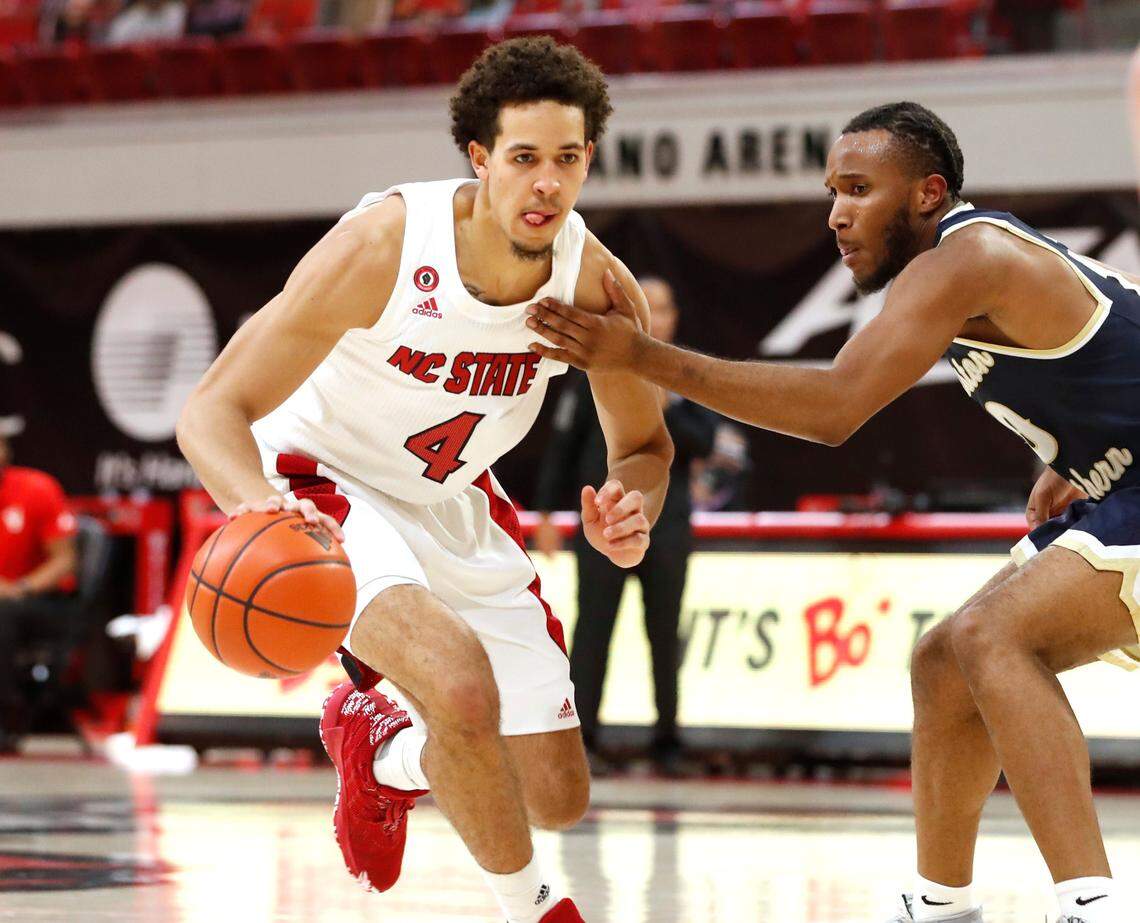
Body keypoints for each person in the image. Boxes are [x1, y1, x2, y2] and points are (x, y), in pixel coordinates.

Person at [525, 101, 1140, 923]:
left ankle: (1090, 902)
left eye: (858, 188)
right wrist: (1073, 453)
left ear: (927, 193)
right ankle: (941, 899)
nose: (837, 213)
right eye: (830, 191)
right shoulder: (967, 265)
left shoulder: (965, 258)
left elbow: (834, 406)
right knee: (941, 662)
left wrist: (640, 355)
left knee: (995, 635)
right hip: (1125, 482)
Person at [177, 37, 672, 923]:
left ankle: (381, 749)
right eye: (523, 159)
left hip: (455, 501)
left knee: (554, 795)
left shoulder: (596, 289)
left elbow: (644, 446)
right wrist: (265, 515)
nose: (546, 184)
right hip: (326, 484)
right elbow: (212, 409)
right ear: (481, 160)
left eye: (566, 159)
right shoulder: (384, 246)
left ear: (589, 159)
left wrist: (632, 504)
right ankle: (539, 908)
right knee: (461, 689)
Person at [533, 277, 716, 775]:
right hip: (603, 523)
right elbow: (562, 446)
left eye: (665, 307)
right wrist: (548, 513)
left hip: (669, 525)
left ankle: (668, 743)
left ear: (676, 316)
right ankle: (581, 737)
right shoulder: (596, 367)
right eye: (648, 306)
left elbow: (706, 440)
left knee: (664, 632)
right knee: (593, 628)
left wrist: (668, 405)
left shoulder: (686, 372)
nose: (657, 315)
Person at [0, 423, 79, 751]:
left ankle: (4, 717)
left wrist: (20, 587)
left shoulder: (35, 488)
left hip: (38, 602)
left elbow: (65, 560)